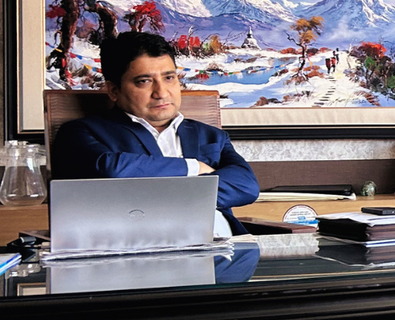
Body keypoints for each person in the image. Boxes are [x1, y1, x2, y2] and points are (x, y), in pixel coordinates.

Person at [51, 32, 259, 236]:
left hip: (224, 248)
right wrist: (193, 167)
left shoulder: (211, 136)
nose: (161, 92)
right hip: (137, 250)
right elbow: (111, 170)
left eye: (169, 78)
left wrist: (155, 195)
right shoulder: (80, 133)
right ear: (114, 90)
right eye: (144, 81)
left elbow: (246, 186)